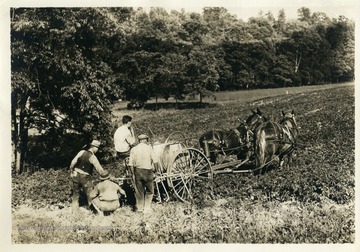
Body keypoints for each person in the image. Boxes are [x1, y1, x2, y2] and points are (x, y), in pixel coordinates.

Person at [69, 140, 104, 212]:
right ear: (94, 147)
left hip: (76, 175)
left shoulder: (81, 152)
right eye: (97, 148)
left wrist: (72, 171)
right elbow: (99, 169)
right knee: (90, 194)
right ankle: (95, 211)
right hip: (86, 177)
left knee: (75, 194)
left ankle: (74, 212)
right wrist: (105, 176)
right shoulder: (93, 157)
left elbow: (73, 162)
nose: (97, 150)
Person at [128, 134, 160, 213]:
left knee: (139, 191)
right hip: (148, 171)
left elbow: (131, 164)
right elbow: (155, 161)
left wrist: (133, 174)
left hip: (138, 171)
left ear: (139, 141)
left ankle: (140, 208)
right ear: (146, 140)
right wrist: (156, 171)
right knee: (150, 190)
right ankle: (147, 208)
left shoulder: (134, 149)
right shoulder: (149, 148)